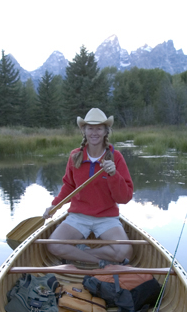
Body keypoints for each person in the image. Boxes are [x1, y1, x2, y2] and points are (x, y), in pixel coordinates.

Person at [43, 108, 134, 267]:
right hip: (78, 216)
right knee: (52, 244)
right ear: (83, 131)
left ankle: (77, 254)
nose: (94, 132)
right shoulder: (75, 156)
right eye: (90, 128)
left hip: (106, 217)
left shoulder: (116, 157)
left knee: (125, 251)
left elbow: (124, 198)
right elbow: (69, 187)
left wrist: (114, 176)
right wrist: (54, 206)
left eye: (99, 128)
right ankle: (100, 262)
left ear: (106, 131)